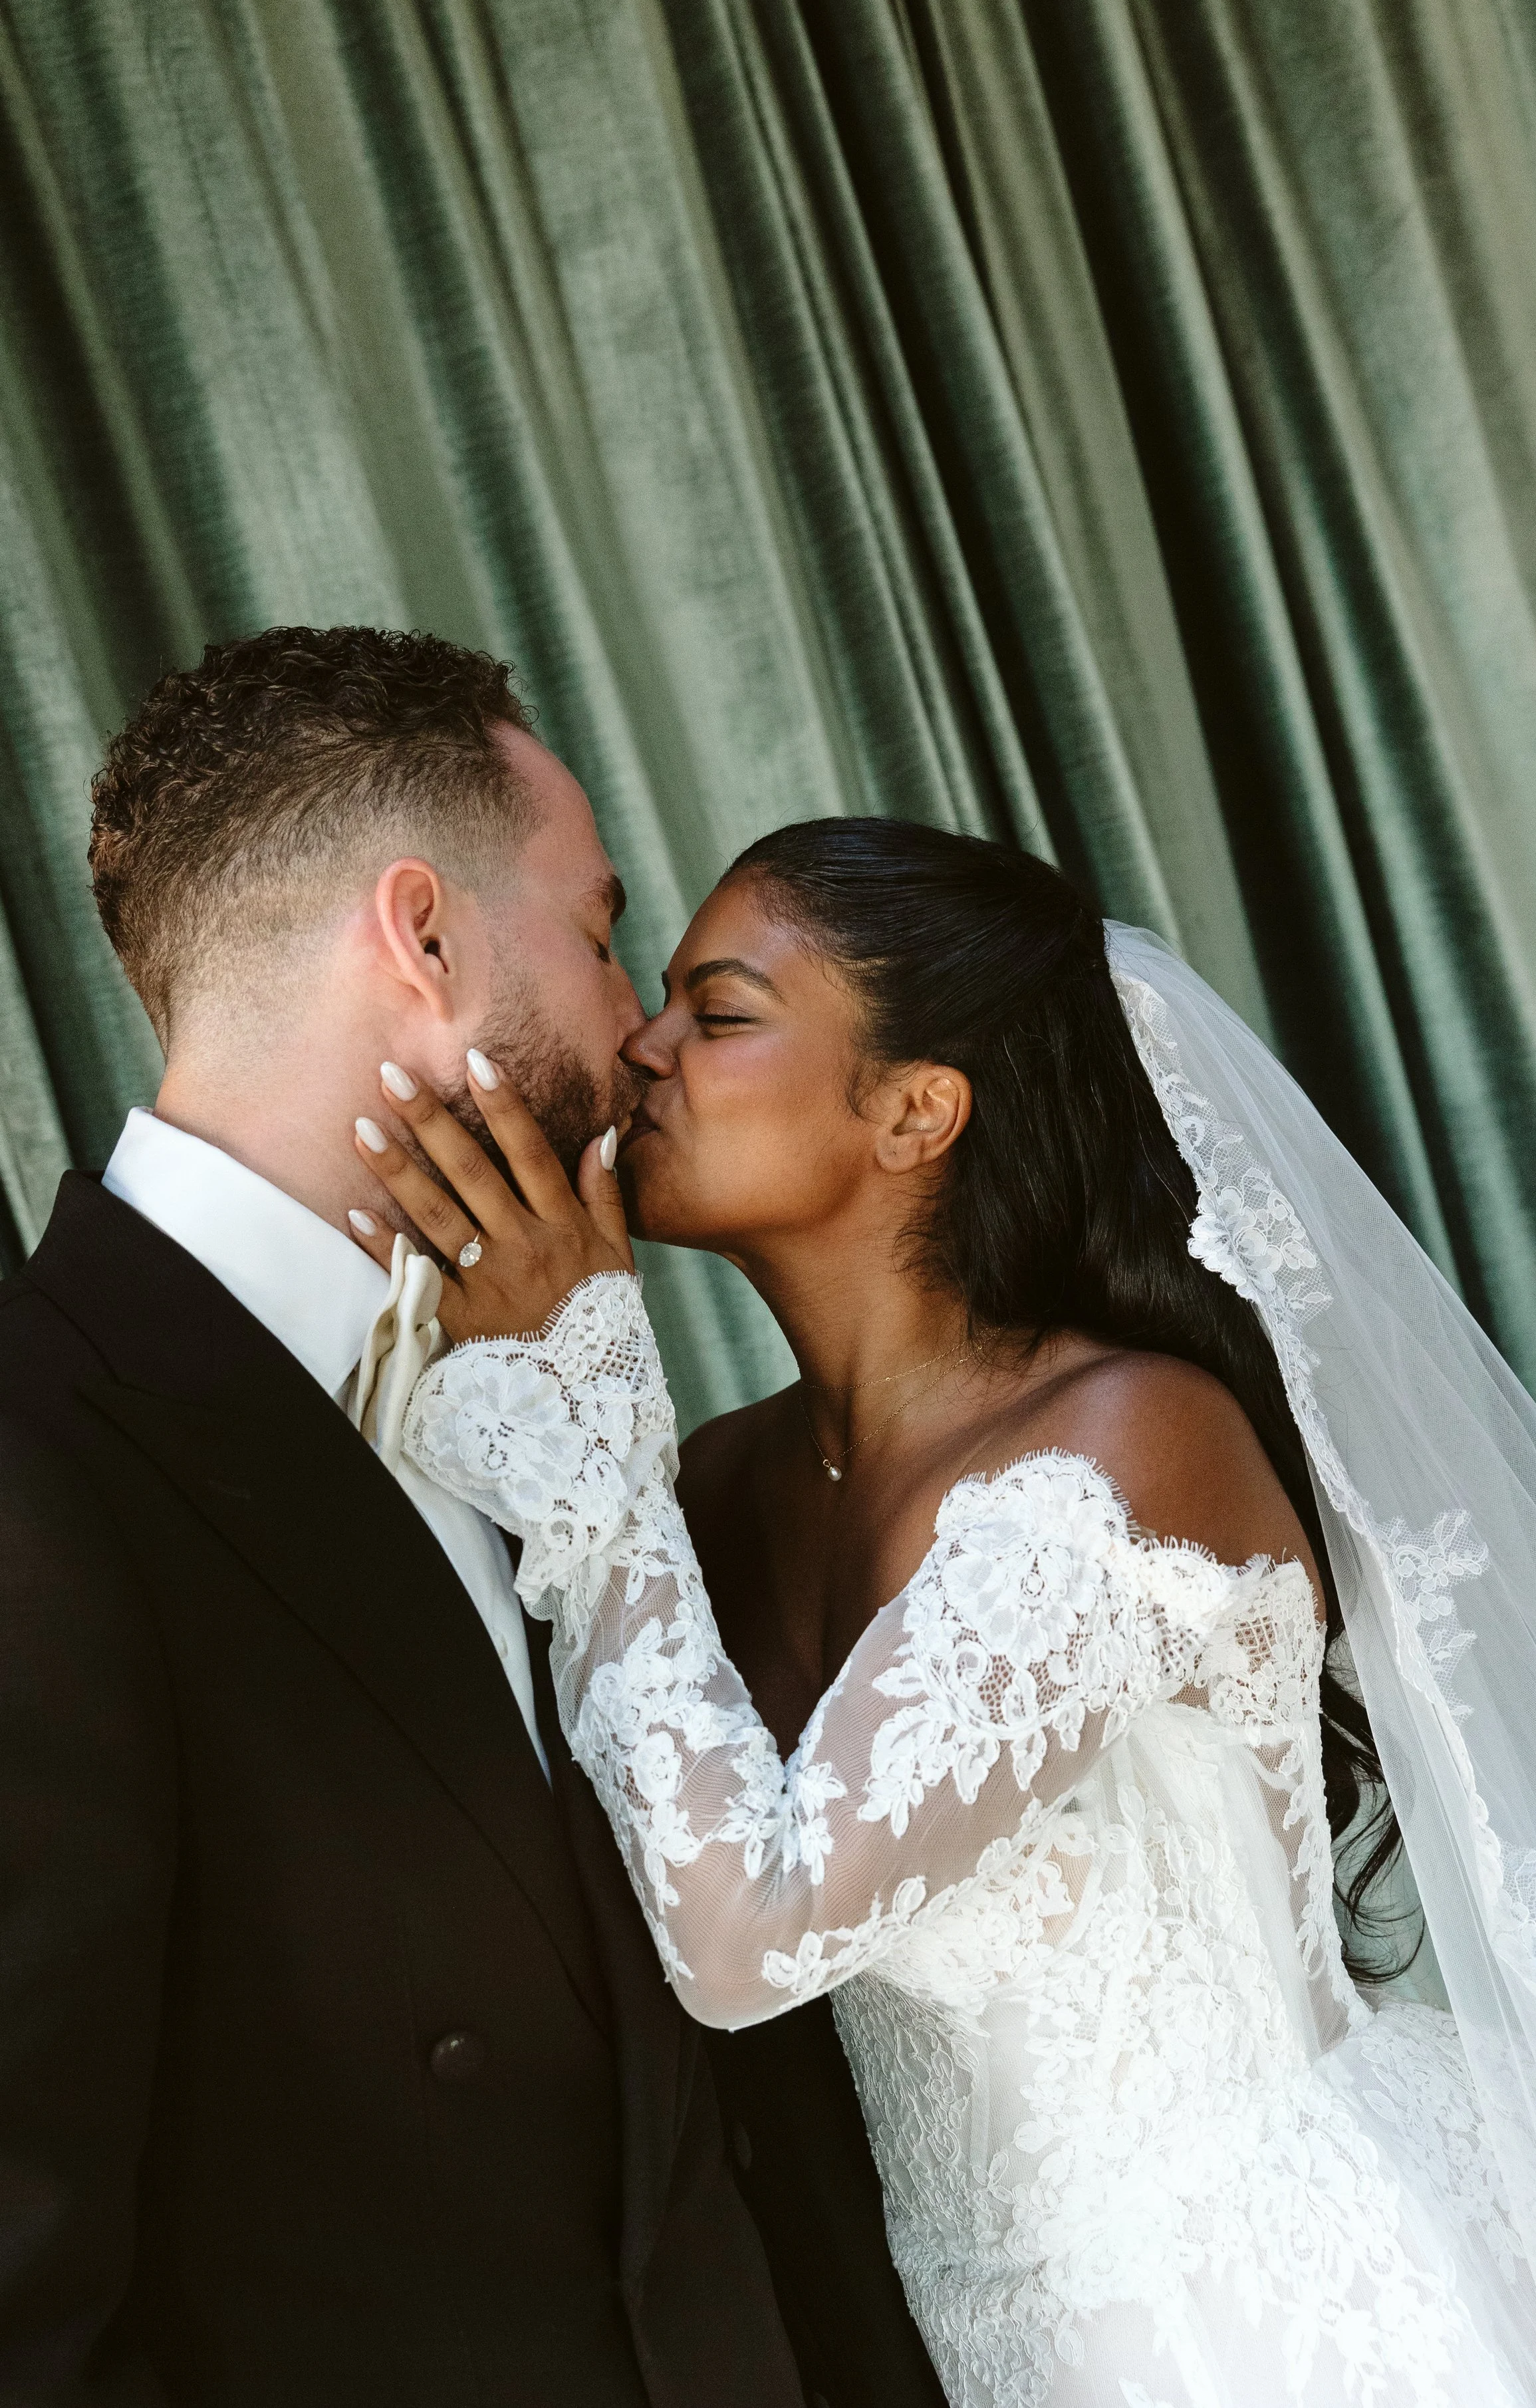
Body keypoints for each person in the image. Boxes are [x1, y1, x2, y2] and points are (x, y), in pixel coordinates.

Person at [350, 817, 1536, 2405]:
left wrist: (588, 1406)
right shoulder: (707, 1486)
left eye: (721, 1011)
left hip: (1287, 2315)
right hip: (983, 2355)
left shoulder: (1124, 1447)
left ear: (915, 1110)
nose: (641, 1046)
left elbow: (744, 1937)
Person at [0, 636, 945, 2408]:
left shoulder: (544, 1365)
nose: (632, 1028)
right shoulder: (39, 1468)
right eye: (595, 936)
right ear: (422, 939)